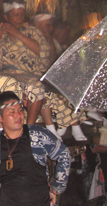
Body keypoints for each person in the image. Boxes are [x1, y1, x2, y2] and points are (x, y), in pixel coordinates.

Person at [32, 13, 87, 141]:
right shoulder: (31, 38)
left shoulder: (51, 41)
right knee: (51, 89)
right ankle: (72, 123)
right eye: (48, 25)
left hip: (49, 77)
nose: (50, 29)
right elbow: (48, 62)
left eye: (51, 25)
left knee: (70, 85)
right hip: (36, 77)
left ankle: (68, 122)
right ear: (37, 25)